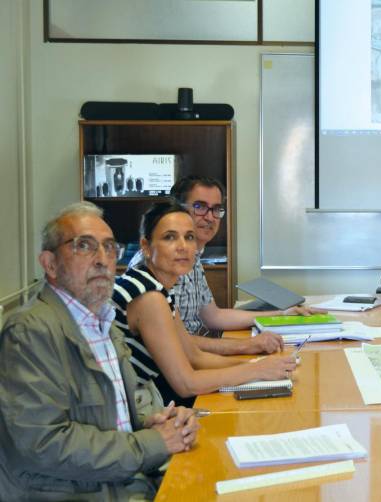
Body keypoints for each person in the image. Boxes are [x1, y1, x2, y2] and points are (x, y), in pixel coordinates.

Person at [0, 202, 199, 500]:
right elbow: (43, 443)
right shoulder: (30, 332)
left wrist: (152, 423)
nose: (102, 259)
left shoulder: (103, 323)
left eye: (109, 247)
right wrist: (150, 443)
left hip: (121, 480)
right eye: (84, 246)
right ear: (50, 263)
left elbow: (109, 420)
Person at [113, 201, 298, 408]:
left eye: (189, 237)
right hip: (130, 410)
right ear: (146, 247)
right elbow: (186, 383)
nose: (183, 246)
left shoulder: (159, 288)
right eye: (169, 237)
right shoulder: (148, 296)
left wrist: (258, 365)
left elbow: (194, 356)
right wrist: (256, 371)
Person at [130, 175, 322, 351]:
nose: (210, 217)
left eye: (216, 209)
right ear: (177, 209)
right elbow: (179, 342)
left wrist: (281, 315)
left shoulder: (192, 256)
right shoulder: (160, 262)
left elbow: (213, 316)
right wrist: (246, 346)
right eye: (199, 206)